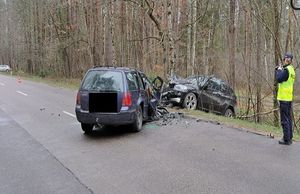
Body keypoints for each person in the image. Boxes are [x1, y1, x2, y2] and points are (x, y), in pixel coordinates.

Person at [276, 52, 296, 145]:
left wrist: (279, 70)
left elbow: (279, 79)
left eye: (285, 59)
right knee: (288, 118)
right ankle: (290, 137)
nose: (284, 61)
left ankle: (286, 139)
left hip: (284, 98)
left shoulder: (286, 70)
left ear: (286, 60)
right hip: (288, 98)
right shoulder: (292, 69)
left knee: (284, 119)